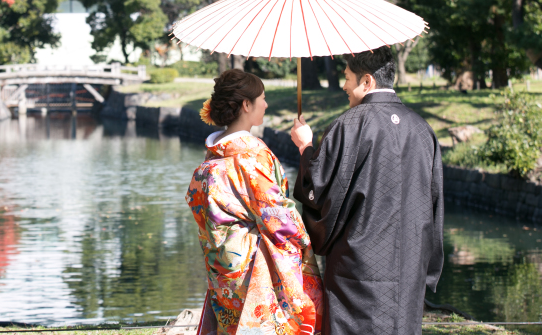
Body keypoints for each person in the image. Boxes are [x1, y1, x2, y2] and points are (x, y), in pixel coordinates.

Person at [290, 46, 444, 335]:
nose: (345, 86)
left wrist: (305, 147)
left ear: (367, 81)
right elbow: (435, 204)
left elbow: (319, 192)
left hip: (358, 269)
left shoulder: (348, 126)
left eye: (348, 78)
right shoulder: (423, 129)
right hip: (409, 265)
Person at [186, 69, 324, 335]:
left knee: (232, 324)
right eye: (262, 97)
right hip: (252, 266)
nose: (266, 104)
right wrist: (307, 237)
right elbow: (275, 216)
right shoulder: (252, 155)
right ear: (246, 105)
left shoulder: (212, 154)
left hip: (221, 262)